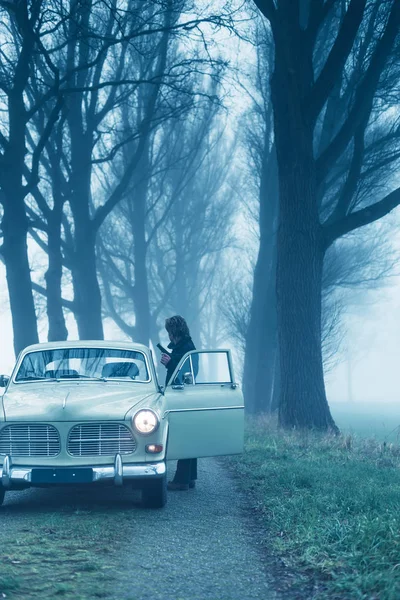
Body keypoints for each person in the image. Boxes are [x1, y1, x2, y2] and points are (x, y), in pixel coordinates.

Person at [160, 315, 197, 491]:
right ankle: (189, 478)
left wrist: (169, 363)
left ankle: (181, 480)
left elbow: (186, 372)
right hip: (185, 394)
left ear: (174, 331)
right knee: (189, 436)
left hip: (181, 395)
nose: (168, 336)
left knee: (184, 436)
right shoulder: (185, 346)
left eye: (169, 332)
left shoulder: (186, 347)